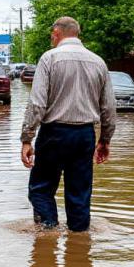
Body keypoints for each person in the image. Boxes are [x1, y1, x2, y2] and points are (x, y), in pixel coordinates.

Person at [20, 16, 116, 232]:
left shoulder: (49, 59)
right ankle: (79, 243)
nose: (51, 39)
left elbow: (37, 103)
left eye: (51, 35)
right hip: (84, 136)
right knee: (79, 194)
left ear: (56, 32)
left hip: (53, 134)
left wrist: (27, 138)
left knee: (41, 189)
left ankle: (47, 235)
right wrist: (105, 139)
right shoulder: (98, 62)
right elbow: (109, 107)